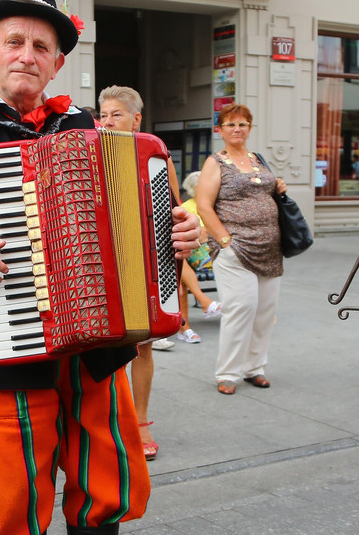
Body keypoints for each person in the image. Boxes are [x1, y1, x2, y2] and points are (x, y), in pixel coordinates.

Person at [0, 0, 202, 535]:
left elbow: (139, 222)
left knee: (108, 484)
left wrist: (177, 230)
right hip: (3, 338)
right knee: (14, 500)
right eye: (14, 42)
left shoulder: (88, 128)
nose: (27, 54)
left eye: (40, 46)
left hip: (96, 343)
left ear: (56, 63)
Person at [97, 85, 172, 464]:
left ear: (136, 119)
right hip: (99, 257)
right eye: (104, 115)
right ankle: (107, 422)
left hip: (142, 257)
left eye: (117, 115)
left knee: (143, 342)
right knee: (103, 341)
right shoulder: (90, 150)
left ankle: (140, 421)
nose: (108, 122)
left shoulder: (153, 153)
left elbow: (173, 211)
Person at [196, 104, 287, 395]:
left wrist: (279, 186)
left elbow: (266, 189)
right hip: (236, 248)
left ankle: (254, 368)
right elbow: (203, 206)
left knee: (264, 312)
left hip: (270, 247)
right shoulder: (215, 162)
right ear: (219, 130)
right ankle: (227, 373)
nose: (237, 129)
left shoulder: (258, 160)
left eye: (243, 124)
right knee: (240, 309)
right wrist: (225, 241)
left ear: (249, 128)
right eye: (231, 124)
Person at [178, 170, 222, 335]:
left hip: (214, 250)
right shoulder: (187, 207)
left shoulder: (214, 206)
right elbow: (199, 235)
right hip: (198, 254)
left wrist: (208, 232)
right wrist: (211, 232)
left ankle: (204, 305)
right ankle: (203, 304)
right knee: (181, 258)